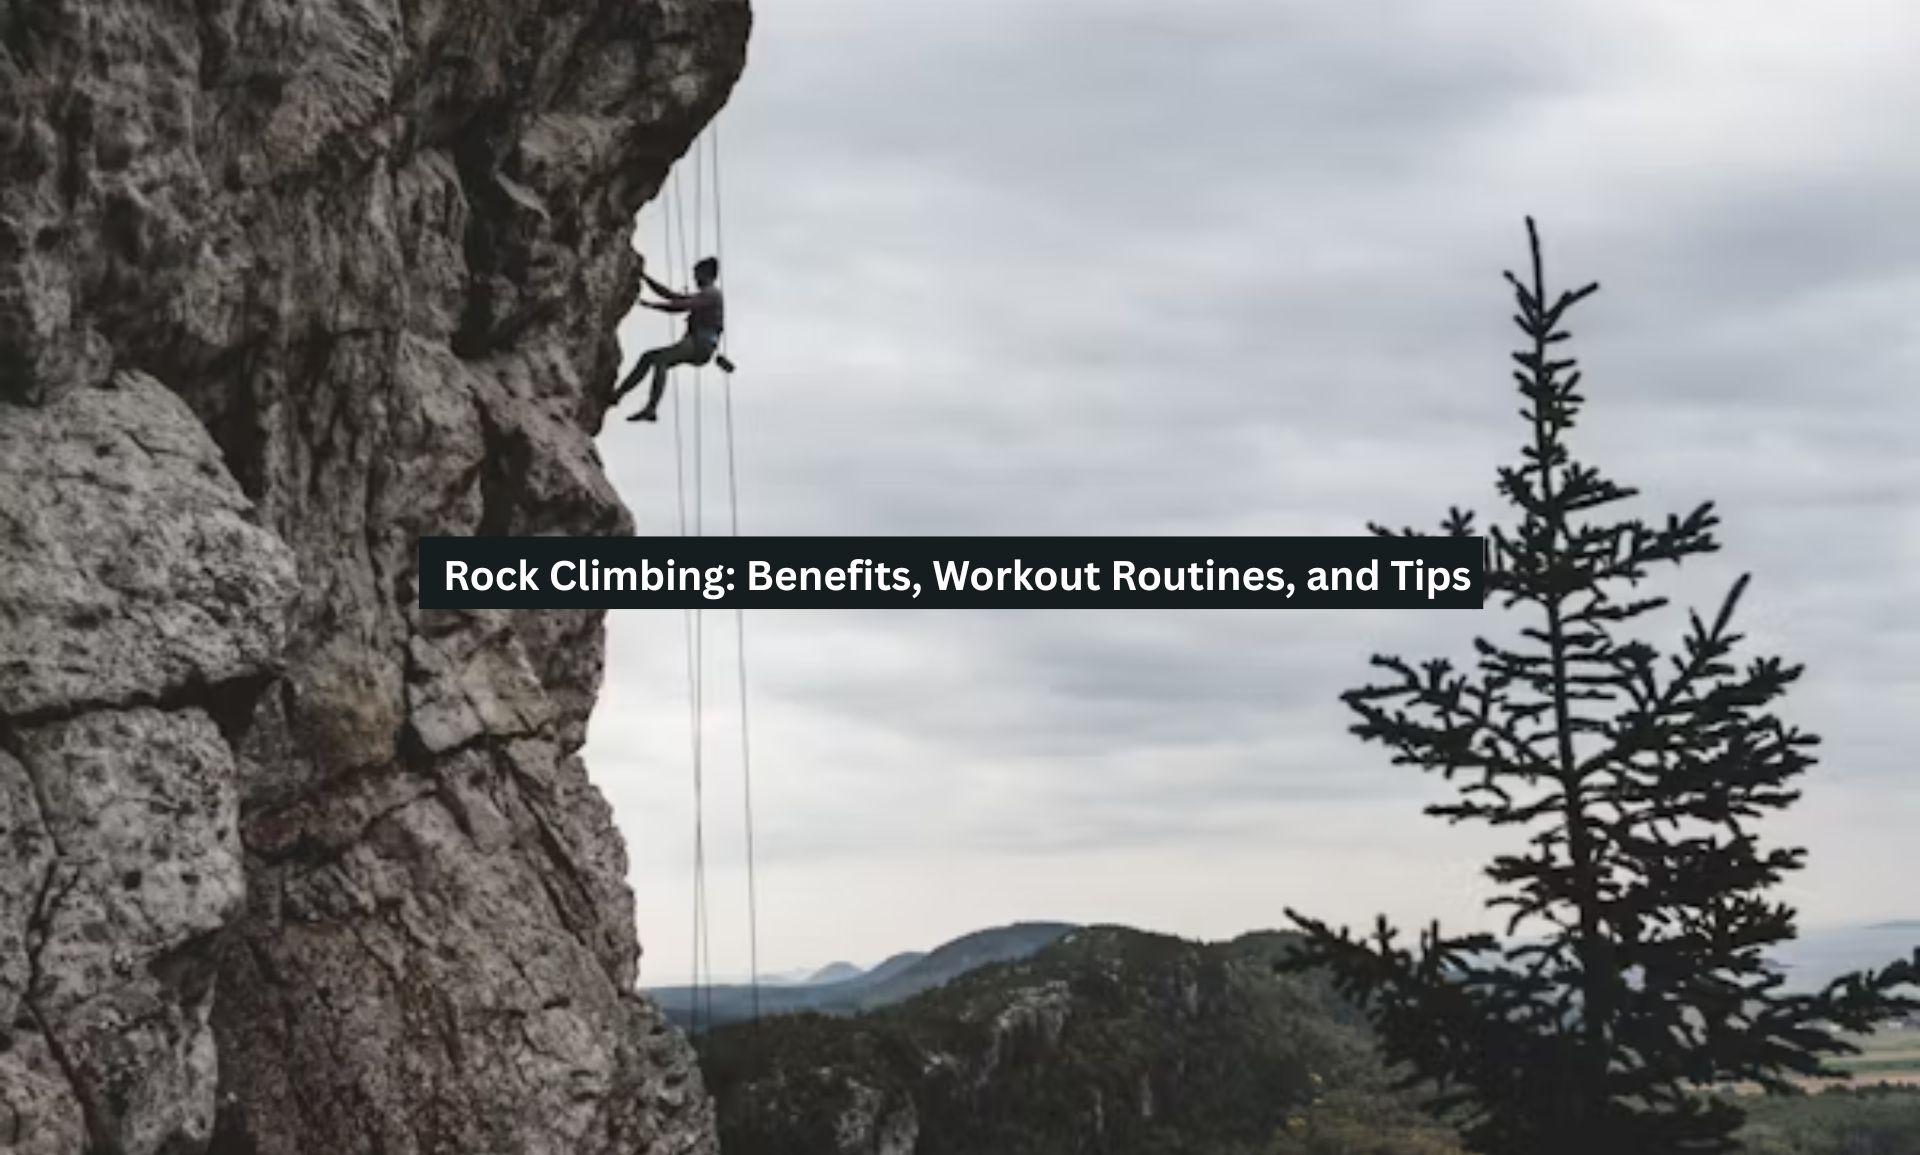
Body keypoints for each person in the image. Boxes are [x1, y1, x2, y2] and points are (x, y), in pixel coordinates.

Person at [613, 256, 726, 423]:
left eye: (697, 274)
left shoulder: (712, 294)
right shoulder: (705, 295)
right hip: (698, 343)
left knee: (661, 360)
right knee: (648, 357)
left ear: (706, 274)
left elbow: (681, 305)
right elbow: (672, 296)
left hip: (701, 344)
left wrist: (652, 305)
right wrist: (645, 278)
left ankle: (650, 408)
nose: (695, 279)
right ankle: (618, 395)